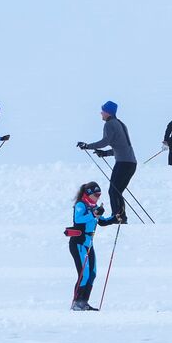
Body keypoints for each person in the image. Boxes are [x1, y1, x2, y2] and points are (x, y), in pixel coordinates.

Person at [78, 101, 137, 223]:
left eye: (102, 111)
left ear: (107, 112)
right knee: (117, 191)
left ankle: (117, 217)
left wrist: (87, 146)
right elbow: (121, 146)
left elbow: (105, 142)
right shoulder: (120, 124)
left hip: (123, 163)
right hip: (131, 163)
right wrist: (105, 153)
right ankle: (121, 217)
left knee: (113, 190)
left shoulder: (110, 124)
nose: (101, 113)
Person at [64, 181, 118, 311]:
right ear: (89, 193)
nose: (98, 197)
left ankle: (84, 302)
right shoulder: (81, 205)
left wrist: (115, 218)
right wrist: (93, 214)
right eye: (96, 194)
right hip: (79, 243)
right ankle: (76, 303)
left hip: (89, 244)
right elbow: (78, 220)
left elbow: (102, 222)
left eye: (99, 194)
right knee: (84, 274)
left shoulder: (93, 206)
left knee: (92, 273)